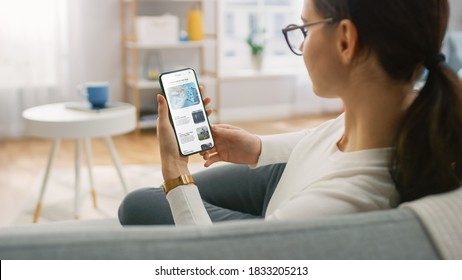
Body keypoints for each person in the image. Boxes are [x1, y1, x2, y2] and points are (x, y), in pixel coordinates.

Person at [118, 0, 462, 226]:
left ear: (345, 40)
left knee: (138, 205)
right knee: (148, 201)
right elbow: (323, 136)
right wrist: (257, 147)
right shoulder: (402, 106)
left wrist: (176, 169)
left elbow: (217, 263)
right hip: (290, 176)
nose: (300, 44)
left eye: (304, 29)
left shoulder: (341, 203)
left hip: (286, 210)